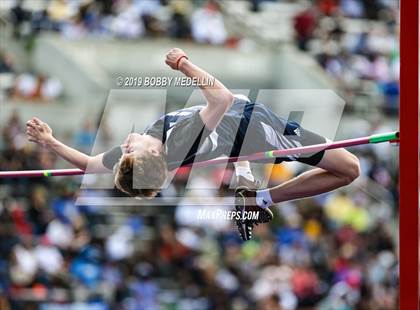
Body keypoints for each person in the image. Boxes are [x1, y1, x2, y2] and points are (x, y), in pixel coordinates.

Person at [26, 48, 360, 241]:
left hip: (240, 139)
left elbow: (88, 164)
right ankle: (260, 197)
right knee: (349, 169)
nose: (124, 146)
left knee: (342, 169)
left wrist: (50, 140)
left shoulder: (150, 150)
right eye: (130, 151)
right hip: (260, 127)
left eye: (124, 152)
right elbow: (222, 98)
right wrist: (184, 64)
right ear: (154, 154)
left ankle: (251, 191)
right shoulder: (179, 141)